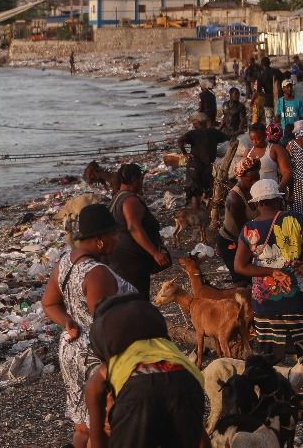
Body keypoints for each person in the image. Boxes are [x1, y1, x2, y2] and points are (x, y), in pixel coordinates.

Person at [42, 204, 134, 448]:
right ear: (100, 239)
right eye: (113, 234)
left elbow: (49, 302)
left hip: (71, 350)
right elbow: (105, 325)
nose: (116, 238)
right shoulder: (97, 273)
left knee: (83, 424)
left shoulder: (65, 262)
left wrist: (67, 321)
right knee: (101, 426)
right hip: (96, 356)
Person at [84, 294, 205, 448]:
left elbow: (91, 390)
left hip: (138, 390)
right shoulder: (166, 348)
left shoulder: (114, 360)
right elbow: (200, 436)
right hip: (187, 382)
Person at [235, 179, 303, 359]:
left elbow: (240, 266)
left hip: (265, 303)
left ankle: (269, 386)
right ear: (278, 199)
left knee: (267, 354)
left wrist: (269, 272)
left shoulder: (249, 229)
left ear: (258, 203)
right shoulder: (295, 219)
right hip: (297, 301)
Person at [107, 164, 170, 298]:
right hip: (131, 261)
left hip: (118, 259)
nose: (141, 183)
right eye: (141, 179)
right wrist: (154, 253)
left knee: (126, 296)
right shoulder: (130, 200)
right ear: (134, 179)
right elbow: (134, 228)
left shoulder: (117, 198)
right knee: (138, 297)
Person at [219, 159, 259, 285]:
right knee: (242, 279)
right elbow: (244, 230)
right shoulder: (234, 199)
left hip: (247, 237)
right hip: (231, 241)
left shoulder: (254, 190)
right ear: (240, 177)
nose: (255, 182)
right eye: (251, 179)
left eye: (257, 178)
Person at [178, 113, 228, 209]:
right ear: (206, 123)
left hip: (194, 165)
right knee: (207, 189)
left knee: (194, 192)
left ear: (196, 124)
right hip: (207, 166)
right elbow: (227, 138)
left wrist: (185, 153)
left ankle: (197, 213)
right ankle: (209, 213)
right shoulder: (213, 132)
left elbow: (180, 141)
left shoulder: (192, 133)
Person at [235, 122, 292, 188]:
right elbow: (241, 174)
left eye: (258, 139)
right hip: (253, 194)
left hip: (271, 192)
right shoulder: (248, 152)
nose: (254, 142)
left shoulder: (275, 149)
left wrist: (280, 188)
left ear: (265, 135)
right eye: (252, 139)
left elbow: (287, 172)